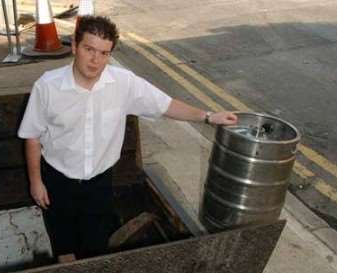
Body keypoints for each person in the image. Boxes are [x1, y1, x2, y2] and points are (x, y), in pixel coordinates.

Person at [18, 15, 237, 260]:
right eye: (89, 49)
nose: (95, 60)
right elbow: (32, 137)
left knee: (96, 246)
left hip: (99, 182)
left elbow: (165, 105)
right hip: (57, 179)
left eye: (104, 53)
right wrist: (36, 182)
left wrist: (208, 116)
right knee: (63, 245)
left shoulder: (124, 83)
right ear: (75, 46)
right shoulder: (47, 87)